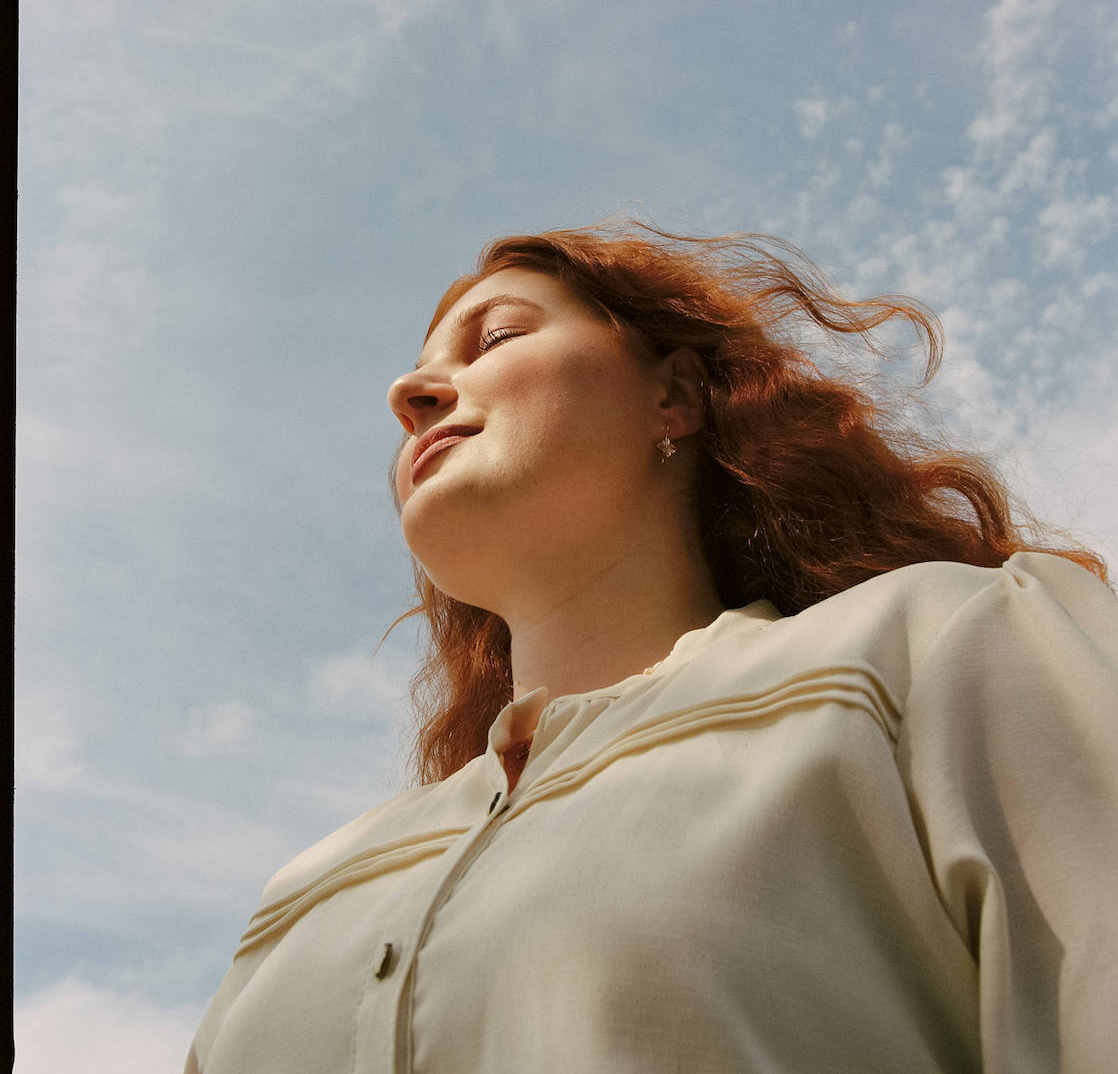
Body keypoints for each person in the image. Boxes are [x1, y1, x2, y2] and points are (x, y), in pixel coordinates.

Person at [186, 221, 1118, 1074]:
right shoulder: (296, 901)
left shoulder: (941, 643)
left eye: (498, 337)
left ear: (672, 396)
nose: (411, 393)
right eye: (419, 374)